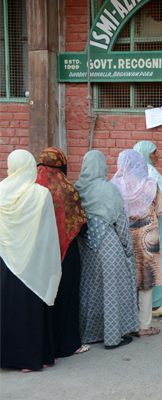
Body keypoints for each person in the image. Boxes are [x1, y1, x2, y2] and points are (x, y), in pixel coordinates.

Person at [0, 150, 62, 371]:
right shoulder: (40, 193)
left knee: (7, 306)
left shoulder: (0, 191)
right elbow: (46, 235)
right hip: (33, 261)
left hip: (6, 261)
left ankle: (6, 358)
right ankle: (36, 357)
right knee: (32, 308)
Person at [76, 150, 139, 349]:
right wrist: (129, 250)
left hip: (86, 249)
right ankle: (113, 338)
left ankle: (88, 335)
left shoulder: (77, 190)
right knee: (112, 292)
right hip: (109, 248)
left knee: (89, 292)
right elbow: (121, 225)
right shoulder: (109, 190)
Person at [36, 148, 90, 358]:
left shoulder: (31, 186)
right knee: (66, 296)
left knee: (42, 296)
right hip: (66, 252)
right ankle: (68, 344)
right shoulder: (67, 189)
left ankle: (44, 345)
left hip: (38, 253)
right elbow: (81, 224)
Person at [111, 150, 162, 339]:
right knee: (146, 281)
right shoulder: (151, 185)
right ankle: (144, 326)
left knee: (127, 280)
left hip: (124, 237)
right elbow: (159, 211)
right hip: (148, 237)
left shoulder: (115, 185)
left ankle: (126, 325)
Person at [133, 141, 162, 318]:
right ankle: (156, 305)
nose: (157, 155)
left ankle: (148, 303)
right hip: (157, 226)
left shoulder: (137, 172)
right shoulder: (149, 172)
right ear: (145, 154)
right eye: (154, 152)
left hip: (144, 227)